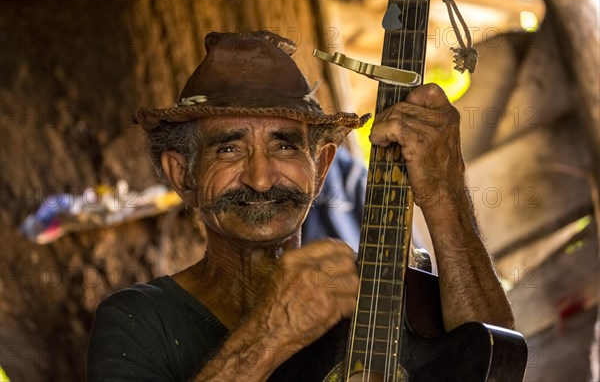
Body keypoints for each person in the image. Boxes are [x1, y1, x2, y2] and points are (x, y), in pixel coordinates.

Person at [86, 31, 514, 381]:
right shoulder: (137, 321)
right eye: (229, 149)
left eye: (285, 146)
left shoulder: (380, 304)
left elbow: (495, 364)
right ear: (183, 175)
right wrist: (270, 336)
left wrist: (446, 195)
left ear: (322, 166)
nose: (261, 177)